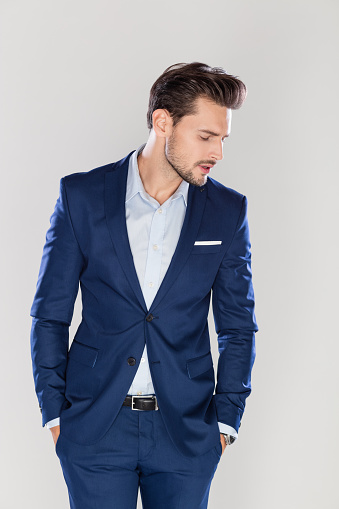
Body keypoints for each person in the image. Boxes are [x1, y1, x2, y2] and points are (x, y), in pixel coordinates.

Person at [30, 61, 258, 509]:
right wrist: (55, 415)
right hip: (95, 426)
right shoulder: (82, 196)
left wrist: (225, 422)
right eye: (206, 137)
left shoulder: (227, 211)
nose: (218, 153)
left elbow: (238, 326)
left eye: (223, 139)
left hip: (186, 432)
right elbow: (50, 314)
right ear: (162, 121)